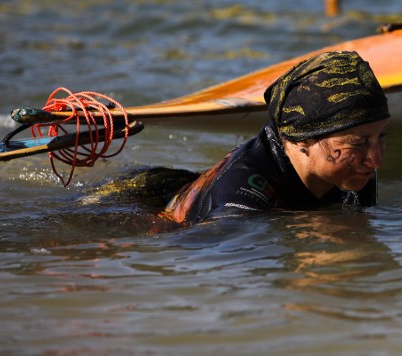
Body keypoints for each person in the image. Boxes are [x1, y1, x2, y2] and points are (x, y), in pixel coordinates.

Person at [160, 50, 390, 225]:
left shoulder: (355, 168)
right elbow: (210, 256)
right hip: (153, 204)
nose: (376, 160)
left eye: (381, 137)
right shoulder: (240, 197)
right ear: (303, 139)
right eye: (358, 143)